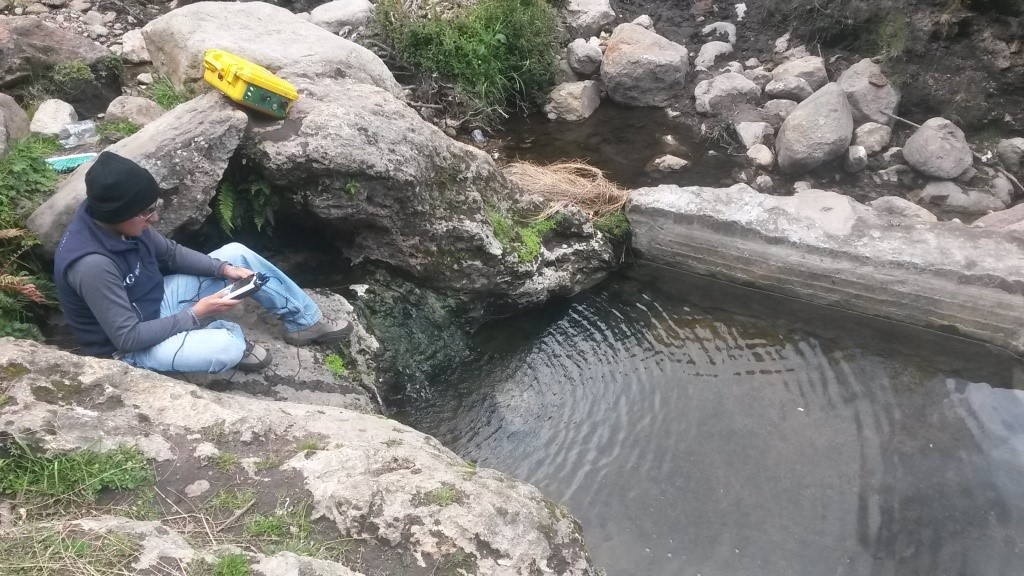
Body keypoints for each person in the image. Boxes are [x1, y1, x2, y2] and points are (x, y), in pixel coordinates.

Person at [54, 151, 352, 373]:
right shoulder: (92, 265)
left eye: (153, 208)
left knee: (235, 252)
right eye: (146, 212)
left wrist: (225, 269)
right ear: (118, 214)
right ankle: (223, 337)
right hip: (128, 347)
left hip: (155, 302)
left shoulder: (118, 219)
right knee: (225, 348)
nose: (154, 218)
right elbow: (128, 337)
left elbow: (171, 254)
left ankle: (304, 322)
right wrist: (197, 314)